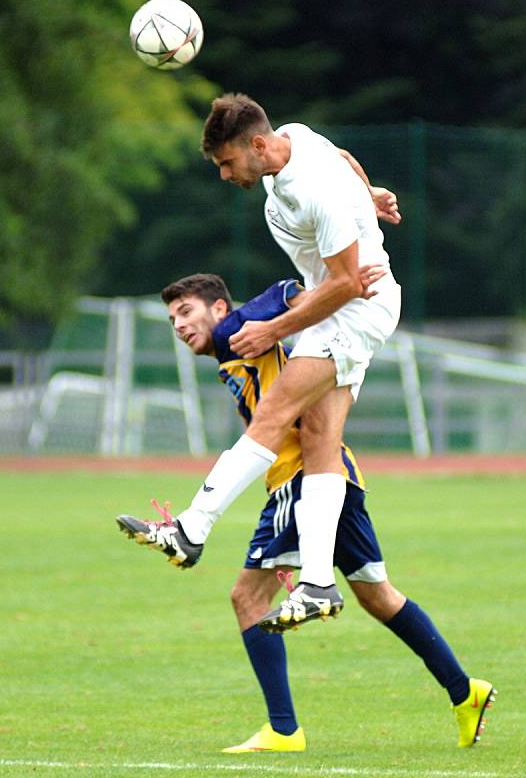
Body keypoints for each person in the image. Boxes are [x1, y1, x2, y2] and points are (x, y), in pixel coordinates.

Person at [117, 273, 496, 753]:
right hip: (337, 477)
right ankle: (466, 693)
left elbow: (289, 294)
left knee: (247, 599)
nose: (178, 324)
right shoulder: (231, 348)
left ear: (217, 309)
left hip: (301, 482)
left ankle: (283, 729)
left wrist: (342, 285)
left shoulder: (240, 324)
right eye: (172, 318)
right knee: (379, 597)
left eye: (186, 311)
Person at [130, 92, 403, 631]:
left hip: (354, 308)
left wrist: (273, 330)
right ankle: (318, 583)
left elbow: (347, 282)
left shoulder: (311, 190)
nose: (226, 175)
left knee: (273, 414)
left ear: (256, 145)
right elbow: (343, 156)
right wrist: (365, 195)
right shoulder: (296, 137)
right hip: (341, 306)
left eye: (228, 163)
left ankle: (192, 527)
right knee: (319, 438)